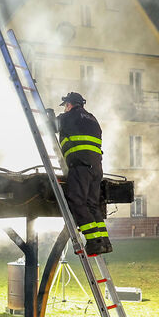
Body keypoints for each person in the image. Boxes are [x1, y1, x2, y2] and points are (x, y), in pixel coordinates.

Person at [55, 92, 112, 255]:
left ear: (70, 104)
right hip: (96, 168)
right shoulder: (93, 119)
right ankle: (104, 242)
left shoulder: (67, 118)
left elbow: (48, 126)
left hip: (80, 167)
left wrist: (50, 117)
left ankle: (94, 241)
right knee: (92, 205)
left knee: (77, 202)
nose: (65, 109)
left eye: (65, 106)